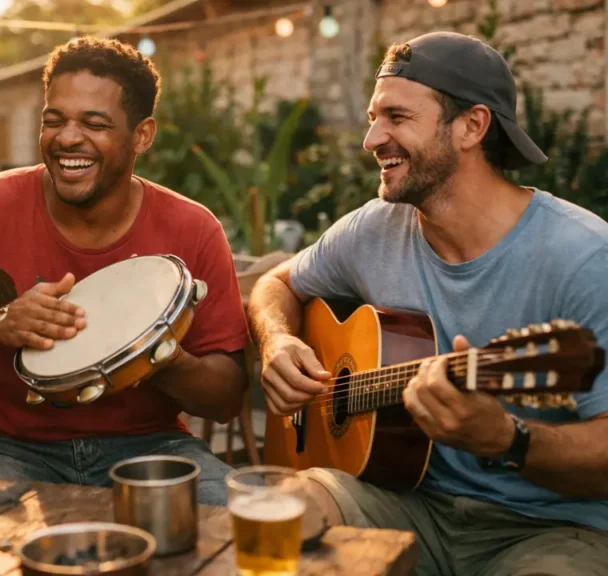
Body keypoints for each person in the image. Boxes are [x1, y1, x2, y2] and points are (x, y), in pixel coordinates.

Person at [247, 31, 608, 576]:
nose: (371, 137)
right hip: (405, 500)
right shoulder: (375, 228)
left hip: (551, 526)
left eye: (396, 117)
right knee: (284, 516)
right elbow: (278, 281)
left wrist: (509, 440)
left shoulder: (584, 258)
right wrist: (278, 339)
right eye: (374, 116)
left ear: (472, 126)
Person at [0, 37, 249, 505]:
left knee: (233, 518)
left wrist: (152, 349)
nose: (68, 138)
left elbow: (227, 398)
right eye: (54, 120)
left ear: (142, 135)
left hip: (148, 444)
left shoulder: (194, 229)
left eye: (95, 124)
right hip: (0, 443)